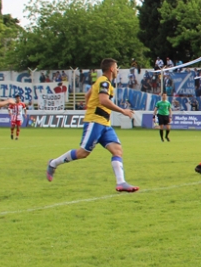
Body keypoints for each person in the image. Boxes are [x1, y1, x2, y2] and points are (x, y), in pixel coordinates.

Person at [45, 58, 138, 192]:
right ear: (111, 69)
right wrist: (123, 110)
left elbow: (88, 94)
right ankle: (53, 163)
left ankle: (121, 182)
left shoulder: (101, 82)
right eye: (116, 67)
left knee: (117, 150)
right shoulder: (104, 83)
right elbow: (103, 100)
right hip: (95, 122)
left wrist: (88, 104)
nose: (118, 70)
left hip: (105, 124)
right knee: (83, 153)